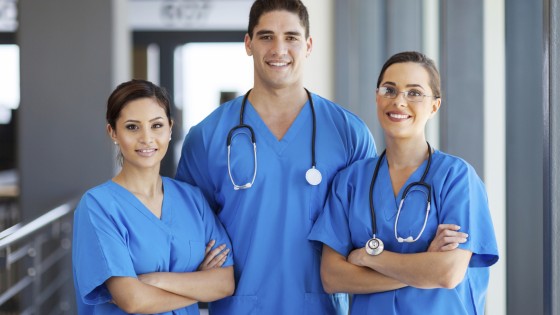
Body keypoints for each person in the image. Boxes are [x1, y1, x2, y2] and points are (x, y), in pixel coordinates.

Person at [175, 0, 377, 313]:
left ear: (308, 45)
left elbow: (370, 229)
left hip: (320, 307)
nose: (279, 49)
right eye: (266, 36)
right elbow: (186, 232)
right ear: (248, 44)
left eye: (292, 38)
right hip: (239, 306)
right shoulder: (207, 137)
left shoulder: (349, 133)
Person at [308, 51, 499, 314]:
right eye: (389, 90)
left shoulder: (457, 178)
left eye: (414, 93)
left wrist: (369, 257)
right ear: (377, 97)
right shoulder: (351, 181)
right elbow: (332, 277)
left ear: (434, 105)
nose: (399, 101)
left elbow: (447, 272)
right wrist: (422, 267)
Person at [72, 79, 235, 315]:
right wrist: (198, 283)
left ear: (170, 128)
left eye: (156, 125)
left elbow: (224, 283)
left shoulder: (193, 200)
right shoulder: (98, 206)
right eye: (132, 127)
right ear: (113, 132)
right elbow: (133, 301)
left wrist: (154, 280)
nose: (146, 138)